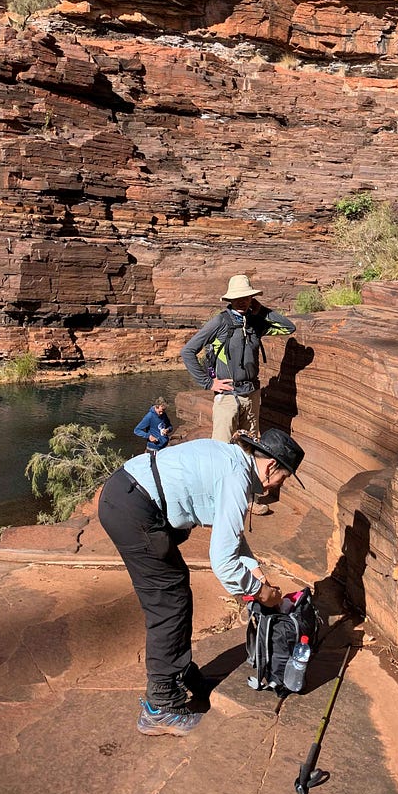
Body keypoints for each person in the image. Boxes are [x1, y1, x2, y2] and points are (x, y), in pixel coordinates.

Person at [97, 428, 305, 736]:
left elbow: (233, 541)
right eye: (284, 479)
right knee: (168, 603)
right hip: (134, 510)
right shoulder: (237, 479)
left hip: (128, 496)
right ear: (271, 467)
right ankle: (161, 707)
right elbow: (222, 562)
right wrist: (259, 592)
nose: (278, 487)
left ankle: (179, 672)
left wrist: (259, 576)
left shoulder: (234, 461)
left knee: (175, 589)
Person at [180, 274, 296, 512]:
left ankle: (248, 497)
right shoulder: (220, 322)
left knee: (251, 449)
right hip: (228, 396)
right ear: (230, 299)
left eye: (247, 297)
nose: (243, 301)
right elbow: (188, 351)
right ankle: (213, 500)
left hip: (252, 393)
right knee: (220, 448)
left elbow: (288, 326)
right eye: (238, 298)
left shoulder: (256, 322)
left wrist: (261, 309)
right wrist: (208, 383)